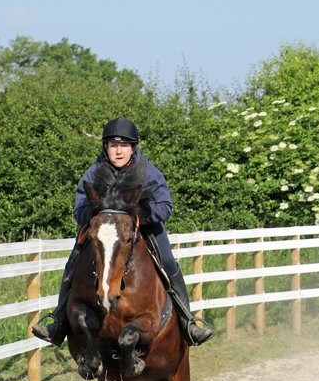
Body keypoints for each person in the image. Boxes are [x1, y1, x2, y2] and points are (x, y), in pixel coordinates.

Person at [32, 116, 214, 347]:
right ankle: (58, 322)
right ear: (105, 147)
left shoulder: (147, 170)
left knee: (168, 262)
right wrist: (98, 216)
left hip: (143, 227)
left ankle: (188, 323)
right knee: (73, 263)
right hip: (104, 231)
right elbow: (79, 208)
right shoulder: (94, 171)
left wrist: (140, 215)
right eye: (113, 145)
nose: (118, 151)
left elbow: (166, 205)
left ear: (133, 147)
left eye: (124, 145)